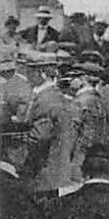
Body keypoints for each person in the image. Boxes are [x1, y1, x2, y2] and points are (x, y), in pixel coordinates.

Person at [22, 51, 79, 194]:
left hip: (44, 173)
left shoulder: (45, 100)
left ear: (41, 73)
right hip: (59, 170)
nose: (27, 76)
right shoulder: (58, 96)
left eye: (30, 71)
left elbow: (39, 138)